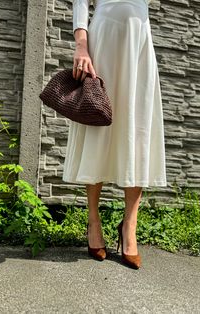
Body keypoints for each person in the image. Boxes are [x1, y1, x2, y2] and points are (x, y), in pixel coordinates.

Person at [62, 0, 167, 269]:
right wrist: (81, 46)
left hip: (139, 40)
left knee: (138, 127)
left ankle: (129, 225)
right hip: (104, 36)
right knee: (98, 122)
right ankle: (93, 222)